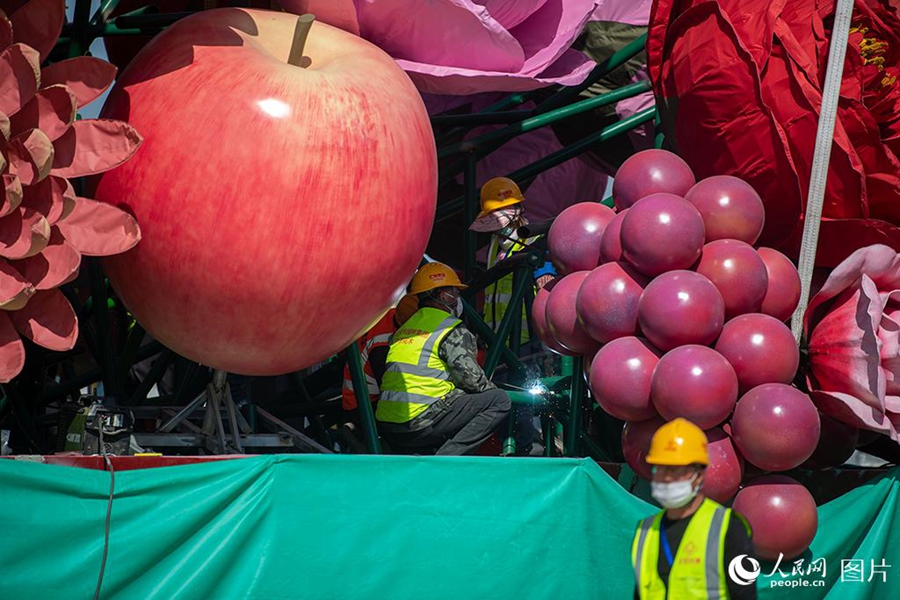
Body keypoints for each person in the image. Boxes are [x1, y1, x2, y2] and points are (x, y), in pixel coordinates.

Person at [376, 262, 511, 455]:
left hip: (389, 426)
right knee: (499, 400)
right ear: (441, 294)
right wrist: (496, 391)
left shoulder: (405, 328)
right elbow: (472, 381)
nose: (456, 298)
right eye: (454, 292)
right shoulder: (449, 327)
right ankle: (445, 460)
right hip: (419, 422)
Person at [632, 418, 757, 600]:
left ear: (698, 475)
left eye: (676, 470)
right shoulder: (646, 531)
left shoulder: (729, 527)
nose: (666, 478)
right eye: (660, 468)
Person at [338, 294, 419, 452]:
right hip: (363, 407)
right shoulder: (383, 344)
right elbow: (389, 386)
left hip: (360, 401)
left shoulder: (392, 316)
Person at [469, 177, 540, 342]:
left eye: (506, 209)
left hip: (524, 340)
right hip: (496, 339)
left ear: (519, 209)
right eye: (494, 213)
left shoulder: (534, 240)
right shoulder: (494, 246)